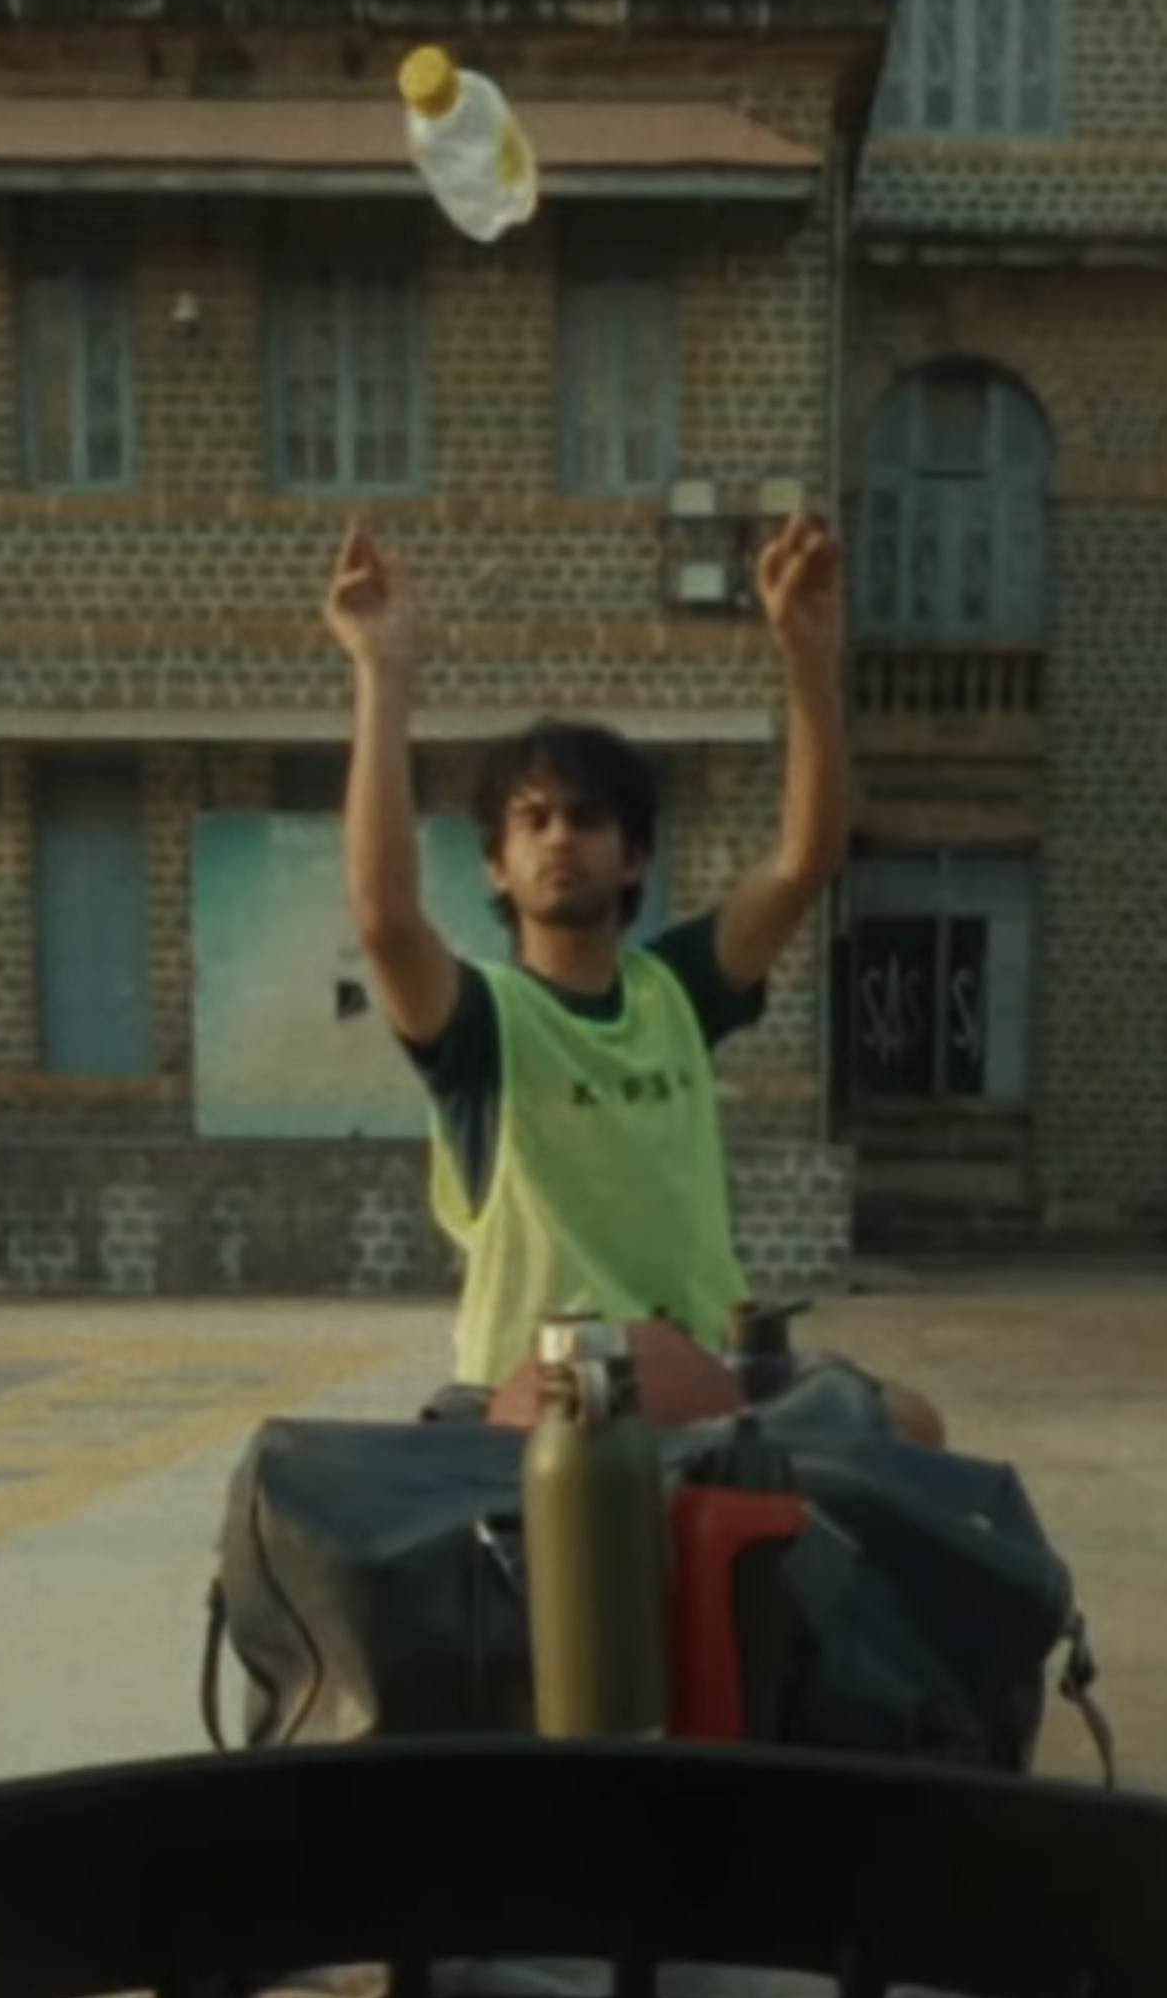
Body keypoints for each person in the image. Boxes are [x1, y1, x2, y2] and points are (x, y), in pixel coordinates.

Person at [323, 512, 949, 1448]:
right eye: (531, 821)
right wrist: (381, 671)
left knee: (912, 1426)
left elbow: (805, 860)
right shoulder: (481, 1024)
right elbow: (383, 919)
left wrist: (809, 661)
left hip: (709, 1375)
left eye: (586, 818)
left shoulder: (677, 991)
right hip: (532, 1394)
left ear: (633, 856)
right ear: (496, 865)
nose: (559, 837)